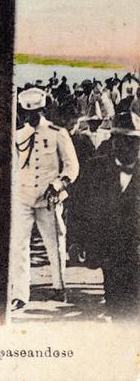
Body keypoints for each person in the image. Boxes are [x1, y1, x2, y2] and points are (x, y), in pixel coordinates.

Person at [10, 87, 79, 311]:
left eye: (36, 113)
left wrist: (58, 185)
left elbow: (72, 166)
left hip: (48, 198)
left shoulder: (57, 133)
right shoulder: (19, 135)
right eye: (28, 113)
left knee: (55, 242)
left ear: (44, 110)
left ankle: (59, 287)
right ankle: (20, 293)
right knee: (18, 244)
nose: (32, 117)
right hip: (23, 196)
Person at [70, 111, 140, 320]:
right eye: (124, 140)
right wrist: (77, 241)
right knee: (116, 302)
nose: (130, 147)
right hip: (110, 250)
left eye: (135, 141)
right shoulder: (95, 168)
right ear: (114, 141)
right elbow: (78, 206)